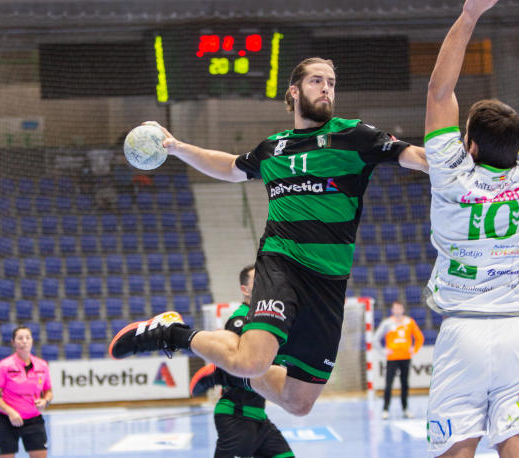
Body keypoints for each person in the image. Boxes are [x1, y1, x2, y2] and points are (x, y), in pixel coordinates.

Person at [109, 56, 428, 417]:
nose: (326, 88)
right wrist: (178, 147)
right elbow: (229, 167)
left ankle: (227, 371)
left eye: (332, 83)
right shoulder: (274, 147)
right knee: (251, 361)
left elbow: (413, 155)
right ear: (294, 91)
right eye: (317, 81)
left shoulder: (353, 136)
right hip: (282, 265)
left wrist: (454, 160)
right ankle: (169, 333)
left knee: (298, 401)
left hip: (329, 282)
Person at [422, 0, 519, 456]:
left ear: (468, 145)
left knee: (454, 449)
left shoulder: (451, 173)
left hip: (461, 334)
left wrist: (470, 13)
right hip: (518, 333)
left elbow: (437, 92)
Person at [191, 264, 294, 458]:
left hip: (258, 417)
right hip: (236, 415)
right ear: (244, 290)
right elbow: (240, 365)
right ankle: (215, 376)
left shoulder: (263, 322)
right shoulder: (240, 320)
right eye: (258, 281)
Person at [0, 326, 53, 458]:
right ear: (13, 342)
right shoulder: (5, 365)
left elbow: (49, 392)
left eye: (27, 338)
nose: (24, 341)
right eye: (20, 338)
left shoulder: (42, 365)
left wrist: (45, 401)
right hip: (7, 421)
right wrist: (10, 412)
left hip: (34, 421)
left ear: (32, 341)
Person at [373, 301, 424, 420]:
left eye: (399, 308)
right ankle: (385, 410)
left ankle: (405, 409)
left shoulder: (409, 322)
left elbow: (420, 338)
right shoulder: (387, 323)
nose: (397, 310)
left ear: (403, 310)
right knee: (388, 384)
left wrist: (414, 350)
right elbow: (375, 339)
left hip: (405, 357)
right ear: (392, 310)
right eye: (395, 308)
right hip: (392, 358)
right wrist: (383, 351)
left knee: (405, 384)